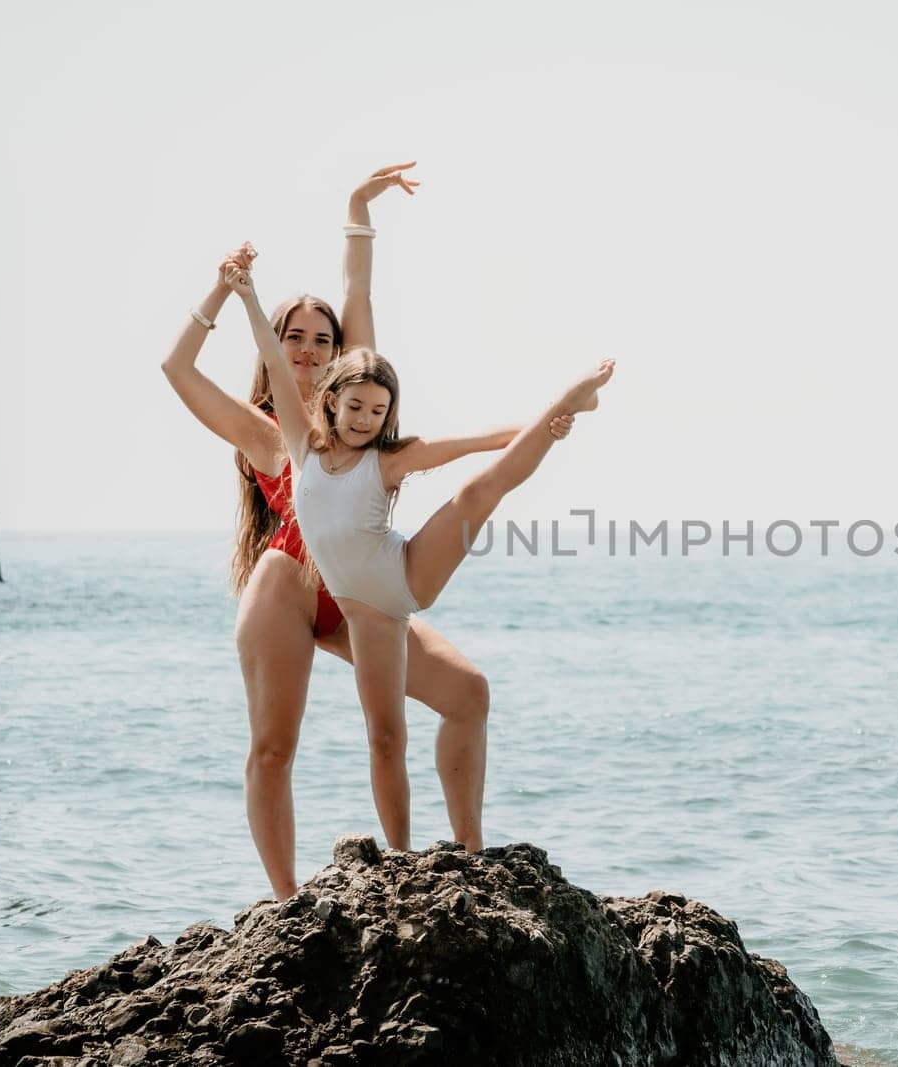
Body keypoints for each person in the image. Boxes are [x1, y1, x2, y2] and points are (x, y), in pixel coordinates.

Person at [162, 164, 570, 900]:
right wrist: (226, 287)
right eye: (294, 339)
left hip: (365, 593)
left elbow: (358, 293)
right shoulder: (269, 430)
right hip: (287, 586)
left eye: (323, 339)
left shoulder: (364, 399)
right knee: (272, 746)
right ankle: (286, 902)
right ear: (277, 349)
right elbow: (177, 368)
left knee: (468, 693)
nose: (311, 350)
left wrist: (357, 208)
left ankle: (464, 861)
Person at [222, 254, 613, 856]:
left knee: (479, 490)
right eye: (355, 407)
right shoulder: (298, 443)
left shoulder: (390, 459)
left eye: (378, 413)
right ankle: (402, 860)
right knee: (385, 737)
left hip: (405, 574)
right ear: (330, 403)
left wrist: (545, 425)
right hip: (369, 613)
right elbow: (275, 361)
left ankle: (568, 401)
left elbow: (478, 444)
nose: (364, 419)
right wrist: (247, 295)